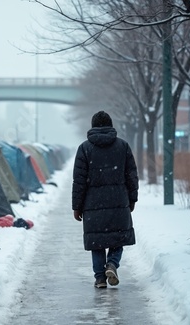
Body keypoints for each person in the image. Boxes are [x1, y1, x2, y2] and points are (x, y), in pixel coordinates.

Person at [72, 110, 139, 288]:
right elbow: (132, 175)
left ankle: (100, 278)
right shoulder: (122, 146)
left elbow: (79, 181)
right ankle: (112, 264)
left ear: (93, 126)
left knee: (97, 241)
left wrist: (77, 206)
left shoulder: (84, 149)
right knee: (118, 237)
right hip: (118, 200)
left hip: (92, 204)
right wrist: (132, 198)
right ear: (110, 125)